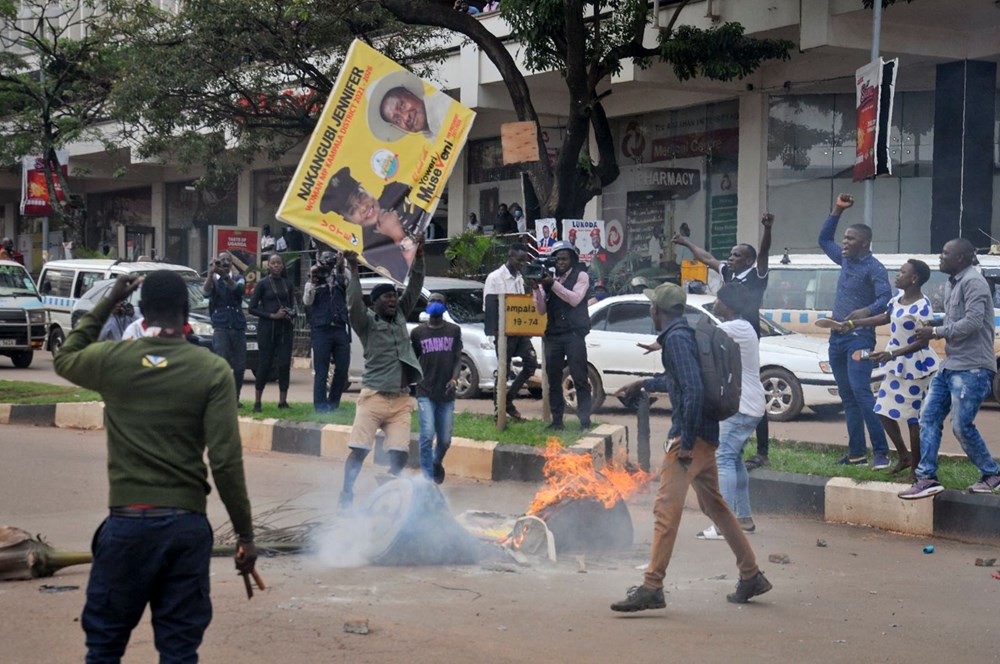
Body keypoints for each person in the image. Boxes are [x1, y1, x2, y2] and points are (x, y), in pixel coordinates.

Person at [53, 272, 257, 662]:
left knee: (104, 646)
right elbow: (226, 462)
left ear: (141, 312)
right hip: (184, 528)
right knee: (179, 649)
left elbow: (65, 357)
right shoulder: (212, 370)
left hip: (126, 526)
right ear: (186, 311)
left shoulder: (113, 360)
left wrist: (108, 301)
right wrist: (245, 535)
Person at [610, 282, 770, 612]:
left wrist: (685, 442)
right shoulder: (684, 334)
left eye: (652, 306)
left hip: (691, 439)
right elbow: (681, 381)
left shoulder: (676, 340)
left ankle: (653, 585)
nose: (650, 310)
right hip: (705, 437)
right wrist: (645, 383)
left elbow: (694, 389)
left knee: (665, 509)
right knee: (716, 508)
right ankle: (751, 574)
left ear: (657, 310)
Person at [818, 259, 938, 480]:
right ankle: (904, 456)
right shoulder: (897, 299)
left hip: (915, 366)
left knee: (913, 419)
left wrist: (892, 353)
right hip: (896, 364)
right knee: (882, 409)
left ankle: (916, 470)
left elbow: (923, 341)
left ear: (914, 279)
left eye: (902, 272)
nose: (897, 275)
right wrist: (855, 323)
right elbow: (885, 317)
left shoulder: (923, 306)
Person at [899, 239, 1000, 499]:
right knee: (928, 418)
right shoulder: (953, 282)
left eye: (945, 254)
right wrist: (933, 323)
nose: (940, 257)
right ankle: (927, 477)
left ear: (961, 258)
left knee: (961, 425)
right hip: (951, 365)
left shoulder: (974, 282)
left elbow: (973, 322)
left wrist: (935, 332)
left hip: (973, 368)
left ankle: (992, 474)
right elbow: (954, 318)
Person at [673, 212, 775, 469]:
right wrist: (686, 243)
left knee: (750, 384)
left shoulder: (757, 275)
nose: (730, 258)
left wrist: (767, 229)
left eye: (736, 255)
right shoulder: (729, 273)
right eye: (730, 254)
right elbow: (707, 258)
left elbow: (764, 253)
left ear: (748, 260)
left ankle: (762, 451)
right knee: (730, 384)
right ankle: (732, 433)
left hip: (747, 333)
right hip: (727, 331)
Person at [339, 234, 426, 510]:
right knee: (359, 450)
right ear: (374, 302)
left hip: (401, 400)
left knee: (400, 454)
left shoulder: (400, 316)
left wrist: (420, 255)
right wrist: (353, 269)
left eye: (394, 296)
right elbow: (354, 303)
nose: (393, 300)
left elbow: (415, 286)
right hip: (374, 397)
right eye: (387, 297)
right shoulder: (365, 322)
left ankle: (390, 495)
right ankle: (346, 494)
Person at [817, 194, 892, 468]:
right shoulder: (846, 259)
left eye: (850, 239)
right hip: (837, 337)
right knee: (847, 396)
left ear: (864, 243)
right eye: (844, 238)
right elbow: (824, 240)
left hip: (860, 338)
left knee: (861, 392)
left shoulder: (875, 268)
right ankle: (857, 454)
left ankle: (881, 453)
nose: (844, 243)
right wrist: (837, 209)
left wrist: (866, 311)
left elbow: (886, 299)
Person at [693, 284, 766, 540]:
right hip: (750, 403)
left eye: (718, 299)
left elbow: (700, 339)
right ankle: (743, 519)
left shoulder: (732, 328)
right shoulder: (743, 327)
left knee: (723, 458)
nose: (715, 303)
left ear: (728, 305)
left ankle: (724, 525)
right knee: (734, 460)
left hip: (741, 405)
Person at [320, 166, 426, 281]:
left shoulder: (394, 190)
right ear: (348, 220)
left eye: (360, 196)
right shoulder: (372, 251)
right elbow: (405, 277)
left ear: (365, 189)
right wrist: (398, 235)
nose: (363, 207)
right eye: (352, 210)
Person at [531, 240, 591, 430]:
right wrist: (536, 288)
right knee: (553, 379)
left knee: (579, 377)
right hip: (554, 334)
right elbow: (541, 310)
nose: (561, 262)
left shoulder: (581, 276)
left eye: (565, 258)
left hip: (574, 334)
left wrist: (553, 284)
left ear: (572, 259)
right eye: (557, 259)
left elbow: (574, 299)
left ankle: (585, 421)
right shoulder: (549, 278)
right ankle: (557, 421)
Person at [411, 292, 463, 484]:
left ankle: (435, 462)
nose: (435, 304)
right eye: (432, 300)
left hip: (446, 394)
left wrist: (454, 380)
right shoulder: (417, 333)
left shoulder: (454, 330)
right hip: (425, 391)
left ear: (445, 306)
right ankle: (427, 479)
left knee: (445, 439)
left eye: (439, 301)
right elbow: (412, 359)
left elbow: (457, 359)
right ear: (427, 305)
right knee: (426, 435)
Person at [484, 244, 539, 421]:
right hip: (503, 333)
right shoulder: (495, 278)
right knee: (503, 370)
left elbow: (522, 305)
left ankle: (507, 400)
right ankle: (498, 411)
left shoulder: (520, 278)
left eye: (524, 261)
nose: (522, 264)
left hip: (520, 332)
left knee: (531, 363)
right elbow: (489, 307)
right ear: (510, 257)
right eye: (519, 260)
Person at [303, 250, 351, 413]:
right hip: (321, 329)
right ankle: (320, 405)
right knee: (321, 370)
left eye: (330, 265)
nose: (327, 269)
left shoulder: (341, 275)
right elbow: (307, 301)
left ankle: (334, 403)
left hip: (339, 327)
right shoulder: (314, 279)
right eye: (325, 265)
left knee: (343, 368)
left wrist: (341, 267)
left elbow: (351, 286)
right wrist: (313, 281)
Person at [248, 253, 297, 413]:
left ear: (283, 265)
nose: (276, 265)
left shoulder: (287, 284)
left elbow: (292, 305)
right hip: (267, 329)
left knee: (284, 364)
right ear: (268, 266)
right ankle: (257, 402)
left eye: (279, 263)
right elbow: (252, 308)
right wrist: (272, 315)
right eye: (273, 263)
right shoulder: (262, 284)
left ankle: (283, 401)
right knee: (265, 364)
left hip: (284, 329)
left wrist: (290, 314)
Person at [203, 252, 248, 405]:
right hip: (221, 325)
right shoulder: (214, 279)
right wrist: (211, 273)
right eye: (222, 260)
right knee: (222, 363)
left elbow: (239, 290)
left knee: (240, 366)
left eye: (228, 260)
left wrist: (225, 276)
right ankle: (222, 397)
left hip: (237, 325)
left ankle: (236, 397)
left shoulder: (238, 277)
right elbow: (205, 293)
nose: (225, 263)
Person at [366, 70, 453, 142]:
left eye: (402, 106)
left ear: (409, 93)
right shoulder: (433, 139)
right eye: (397, 120)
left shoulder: (448, 103)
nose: (405, 118)